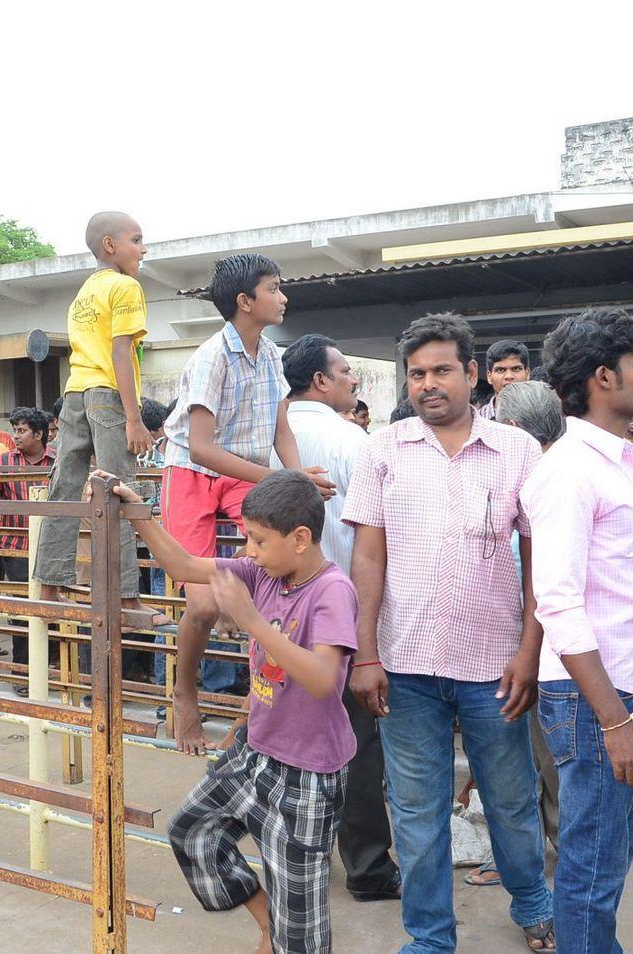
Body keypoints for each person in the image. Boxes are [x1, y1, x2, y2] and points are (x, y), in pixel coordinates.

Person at [344, 314, 553, 953]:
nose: (428, 384)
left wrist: (529, 649)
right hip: (404, 665)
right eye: (416, 374)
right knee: (415, 811)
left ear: (472, 373)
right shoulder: (382, 449)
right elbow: (368, 559)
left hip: (496, 665)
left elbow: (539, 559)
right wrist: (366, 653)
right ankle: (431, 936)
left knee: (513, 799)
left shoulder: (518, 451)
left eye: (441, 371)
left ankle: (534, 906)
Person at [115, 469, 358, 954]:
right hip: (255, 753)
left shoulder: (332, 591)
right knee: (191, 831)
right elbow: (181, 564)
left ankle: (286, 933)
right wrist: (135, 512)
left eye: (257, 540)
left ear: (302, 539)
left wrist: (249, 620)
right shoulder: (264, 571)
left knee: (303, 931)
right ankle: (270, 923)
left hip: (307, 775)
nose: (247, 550)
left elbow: (323, 679)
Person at [520, 308, 633, 954]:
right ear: (602, 378)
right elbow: (557, 601)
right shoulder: (569, 470)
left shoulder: (616, 460)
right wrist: (617, 721)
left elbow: (622, 590)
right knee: (590, 867)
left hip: (620, 690)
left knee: (607, 858)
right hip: (593, 705)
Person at [161, 253, 331, 754]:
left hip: (244, 474)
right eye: (275, 288)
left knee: (289, 555)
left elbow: (282, 430)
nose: (284, 297)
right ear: (245, 301)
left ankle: (263, 699)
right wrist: (281, 478)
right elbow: (201, 447)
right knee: (205, 601)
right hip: (194, 472)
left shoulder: (273, 356)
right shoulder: (213, 356)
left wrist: (296, 479)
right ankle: (185, 693)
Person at [271, 334, 400, 904]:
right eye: (346, 371)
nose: (354, 381)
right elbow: (379, 535)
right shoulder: (352, 440)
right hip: (342, 615)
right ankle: (368, 867)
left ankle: (297, 856)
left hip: (277, 617)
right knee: (356, 743)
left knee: (285, 739)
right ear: (320, 381)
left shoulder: (268, 441)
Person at [34, 212, 167, 628]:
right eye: (137, 239)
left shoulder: (85, 292)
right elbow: (121, 352)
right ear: (110, 245)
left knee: (65, 490)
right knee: (117, 491)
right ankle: (126, 597)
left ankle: (49, 587)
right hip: (108, 394)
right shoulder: (126, 285)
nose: (143, 248)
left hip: (74, 391)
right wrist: (134, 418)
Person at [494, 380, 566, 855]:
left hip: (538, 638)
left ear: (516, 430)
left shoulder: (537, 481)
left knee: (539, 753)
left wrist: (527, 648)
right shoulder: (562, 469)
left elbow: (540, 578)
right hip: (539, 637)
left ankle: (548, 852)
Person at [0, 407, 56, 668]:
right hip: (17, 546)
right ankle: (24, 670)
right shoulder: (3, 461)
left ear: (39, 433)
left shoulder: (58, 461)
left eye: (22, 431)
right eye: (15, 430)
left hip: (54, 546)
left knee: (54, 606)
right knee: (25, 610)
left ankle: (53, 665)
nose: (17, 436)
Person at [478, 339, 533, 421]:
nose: (509, 376)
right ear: (489, 376)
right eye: (500, 370)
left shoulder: (543, 416)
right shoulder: (477, 420)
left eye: (516, 369)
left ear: (527, 373)